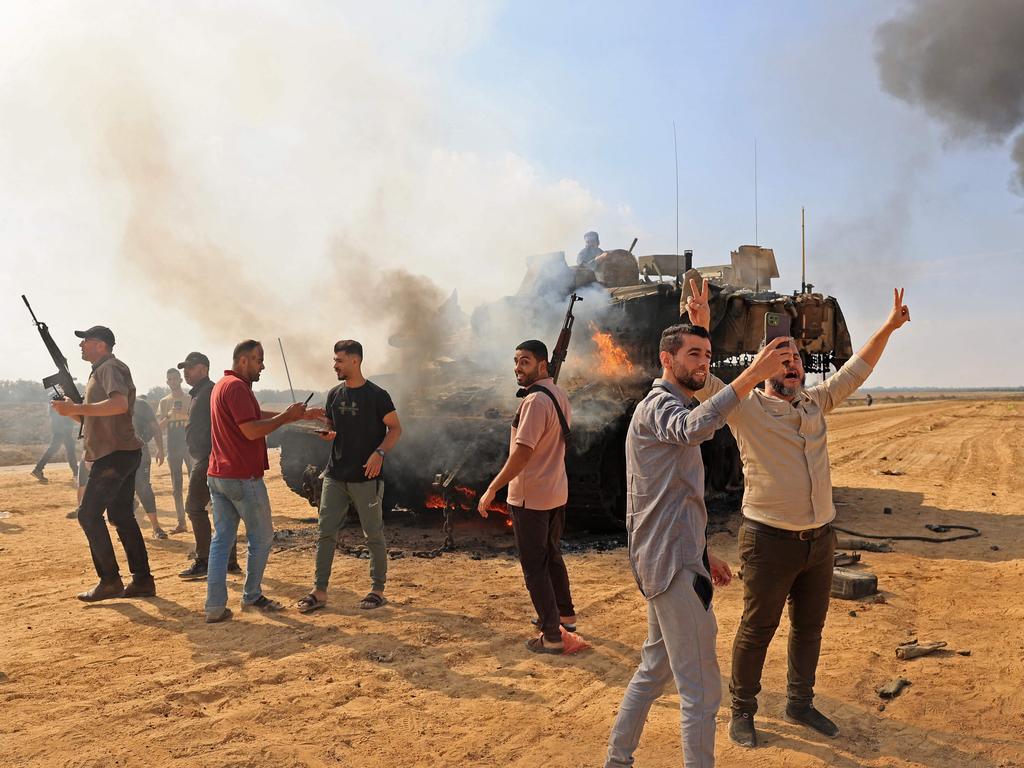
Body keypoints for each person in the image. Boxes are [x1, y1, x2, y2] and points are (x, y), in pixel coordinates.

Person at [687, 283, 911, 746]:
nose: (791, 365)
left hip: (820, 540)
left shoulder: (816, 401)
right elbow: (707, 383)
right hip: (769, 541)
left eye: (795, 359)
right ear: (763, 368)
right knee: (757, 628)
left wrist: (888, 327)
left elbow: (858, 370)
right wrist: (702, 325)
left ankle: (800, 703)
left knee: (809, 629)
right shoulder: (745, 408)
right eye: (780, 358)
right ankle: (743, 710)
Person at [605, 323, 789, 768]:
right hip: (671, 566)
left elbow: (667, 496)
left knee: (654, 670)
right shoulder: (658, 407)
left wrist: (703, 552)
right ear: (666, 359)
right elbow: (691, 429)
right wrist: (750, 376)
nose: (703, 362)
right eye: (692, 354)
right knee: (702, 692)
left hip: (673, 556)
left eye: (707, 354)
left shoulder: (670, 404)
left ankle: (617, 760)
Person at [204, 339, 321, 623]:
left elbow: (253, 417)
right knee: (262, 538)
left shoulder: (223, 385)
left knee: (221, 540)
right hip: (242, 476)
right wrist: (287, 417)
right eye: (259, 360)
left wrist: (297, 416)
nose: (263, 366)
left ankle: (215, 607)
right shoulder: (238, 388)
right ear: (243, 360)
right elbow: (252, 431)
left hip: (218, 475)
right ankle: (252, 595)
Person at [478, 340, 575, 654]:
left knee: (534, 567)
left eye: (526, 362)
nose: (518, 368)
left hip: (530, 496)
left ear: (543, 365)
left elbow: (522, 453)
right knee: (552, 555)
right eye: (517, 361)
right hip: (555, 492)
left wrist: (493, 488)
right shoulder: (558, 394)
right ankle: (566, 616)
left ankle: (552, 636)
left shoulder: (535, 401)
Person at [297, 340, 402, 614]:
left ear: (355, 361)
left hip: (366, 477)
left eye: (339, 360)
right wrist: (327, 434)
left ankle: (377, 589)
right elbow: (334, 430)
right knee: (325, 533)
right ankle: (319, 591)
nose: (335, 365)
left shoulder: (378, 395)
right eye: (334, 360)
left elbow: (395, 429)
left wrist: (379, 453)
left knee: (373, 534)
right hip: (335, 474)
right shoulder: (334, 394)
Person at [52, 325, 154, 601]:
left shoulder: (109, 368)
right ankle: (143, 580)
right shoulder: (99, 373)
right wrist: (71, 410)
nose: (81, 345)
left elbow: (119, 405)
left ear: (101, 344)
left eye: (86, 341)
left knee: (88, 515)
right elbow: (93, 418)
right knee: (121, 516)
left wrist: (76, 408)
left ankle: (110, 581)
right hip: (119, 452)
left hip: (115, 454)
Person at [176, 351, 240, 580]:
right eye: (184, 369)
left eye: (190, 368)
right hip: (206, 457)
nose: (186, 373)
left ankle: (204, 559)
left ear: (203, 369)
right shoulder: (199, 393)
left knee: (194, 507)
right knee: (222, 510)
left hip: (208, 457)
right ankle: (229, 560)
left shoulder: (209, 391)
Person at [158, 368, 191, 533]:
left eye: (175, 378)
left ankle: (200, 519)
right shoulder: (164, 402)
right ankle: (181, 522)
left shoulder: (190, 398)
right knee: (176, 487)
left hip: (189, 444)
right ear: (167, 382)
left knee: (196, 483)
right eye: (169, 379)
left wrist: (186, 414)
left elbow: (198, 421)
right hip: (173, 445)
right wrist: (170, 415)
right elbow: (159, 427)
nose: (172, 381)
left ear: (180, 380)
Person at [132, 394, 168, 540]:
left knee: (143, 487)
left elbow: (155, 427)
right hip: (118, 454)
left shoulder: (141, 405)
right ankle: (128, 529)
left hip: (140, 451)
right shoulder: (110, 404)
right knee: (125, 490)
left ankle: (156, 527)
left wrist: (160, 449)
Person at [32, 406, 78, 483]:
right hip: (63, 428)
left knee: (65, 448)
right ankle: (76, 473)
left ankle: (38, 469)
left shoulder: (53, 396)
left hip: (59, 427)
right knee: (68, 449)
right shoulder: (64, 396)